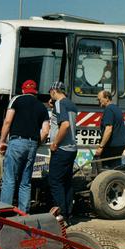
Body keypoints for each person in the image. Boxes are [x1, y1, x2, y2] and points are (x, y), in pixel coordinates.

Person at [0, 80, 49, 213]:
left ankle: (4, 212)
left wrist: (2, 141)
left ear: (22, 90)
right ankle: (23, 214)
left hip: (16, 142)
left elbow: (8, 121)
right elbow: (45, 131)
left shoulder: (16, 100)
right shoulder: (42, 107)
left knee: (9, 179)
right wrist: (37, 144)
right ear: (35, 92)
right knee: (25, 182)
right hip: (32, 144)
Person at [47, 81, 79, 221]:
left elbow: (64, 125)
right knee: (66, 182)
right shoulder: (70, 104)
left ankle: (60, 215)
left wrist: (55, 143)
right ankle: (68, 213)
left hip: (61, 148)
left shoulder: (60, 103)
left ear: (54, 91)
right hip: (71, 148)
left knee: (55, 181)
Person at [96, 90, 125, 169]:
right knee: (115, 167)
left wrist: (101, 146)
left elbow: (108, 129)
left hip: (111, 146)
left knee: (99, 165)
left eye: (100, 99)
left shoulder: (108, 110)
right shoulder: (117, 108)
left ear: (107, 98)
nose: (98, 101)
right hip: (120, 145)